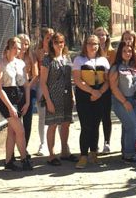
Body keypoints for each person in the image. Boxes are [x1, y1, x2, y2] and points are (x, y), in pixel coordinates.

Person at [73, 34, 111, 169]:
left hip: (100, 95)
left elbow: (108, 80)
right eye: (90, 43)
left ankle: (93, 153)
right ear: (85, 45)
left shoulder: (104, 60)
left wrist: (99, 92)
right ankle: (83, 156)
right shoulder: (79, 60)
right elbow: (77, 80)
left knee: (96, 125)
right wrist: (91, 91)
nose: (93, 46)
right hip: (84, 96)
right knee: (86, 126)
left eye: (95, 43)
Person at [0, 36, 33, 171]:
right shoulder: (0, 65)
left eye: (19, 48)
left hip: (20, 98)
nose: (17, 50)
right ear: (9, 48)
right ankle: (24, 159)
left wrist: (28, 102)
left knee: (12, 131)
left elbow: (26, 85)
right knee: (20, 131)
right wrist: (10, 107)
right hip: (7, 99)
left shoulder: (21, 63)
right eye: (15, 48)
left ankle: (8, 161)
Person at [40, 32, 77, 166]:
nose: (59, 45)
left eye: (61, 42)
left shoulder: (67, 58)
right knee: (53, 125)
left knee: (66, 123)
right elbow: (43, 82)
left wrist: (72, 95)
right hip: (53, 97)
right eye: (56, 42)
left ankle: (65, 152)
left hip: (66, 96)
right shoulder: (47, 60)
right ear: (52, 44)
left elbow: (69, 79)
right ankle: (51, 154)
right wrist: (48, 100)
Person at [110, 42, 136, 164]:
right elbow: (113, 87)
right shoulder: (116, 67)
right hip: (121, 100)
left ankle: (126, 151)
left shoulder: (135, 66)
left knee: (127, 126)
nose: (127, 53)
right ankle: (130, 155)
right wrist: (124, 101)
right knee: (132, 125)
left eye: (130, 51)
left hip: (135, 100)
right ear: (120, 53)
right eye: (125, 51)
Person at [33, 27, 54, 156]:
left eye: (53, 37)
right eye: (48, 37)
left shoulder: (58, 50)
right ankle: (43, 144)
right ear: (43, 39)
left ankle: (55, 144)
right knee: (42, 115)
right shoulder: (38, 52)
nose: (50, 39)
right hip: (42, 84)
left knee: (57, 116)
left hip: (56, 85)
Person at [94, 26, 116, 154]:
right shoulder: (90, 50)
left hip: (107, 87)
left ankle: (106, 142)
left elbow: (112, 71)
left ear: (107, 37)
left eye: (103, 35)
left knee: (106, 116)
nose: (101, 37)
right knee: (94, 117)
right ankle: (94, 143)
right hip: (93, 87)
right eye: (98, 35)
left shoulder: (112, 53)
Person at [17, 33, 36, 150]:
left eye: (27, 44)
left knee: (27, 121)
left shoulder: (31, 56)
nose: (24, 46)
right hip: (15, 89)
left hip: (28, 87)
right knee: (15, 122)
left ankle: (25, 148)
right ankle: (12, 151)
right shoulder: (11, 56)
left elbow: (36, 74)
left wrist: (28, 85)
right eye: (22, 43)